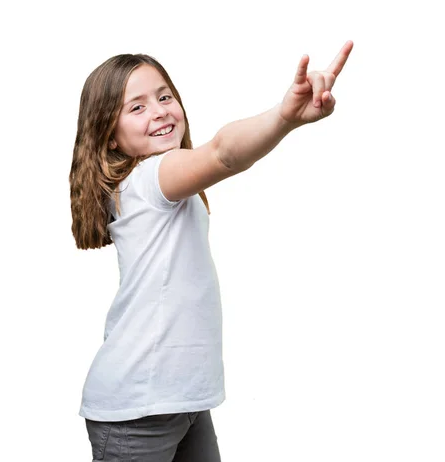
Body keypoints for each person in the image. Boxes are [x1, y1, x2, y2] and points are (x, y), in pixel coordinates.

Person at [69, 40, 353, 462]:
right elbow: (222, 153)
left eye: (164, 96)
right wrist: (283, 118)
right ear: (109, 137)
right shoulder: (151, 178)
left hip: (181, 401)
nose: (160, 110)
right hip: (138, 410)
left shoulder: (163, 182)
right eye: (137, 107)